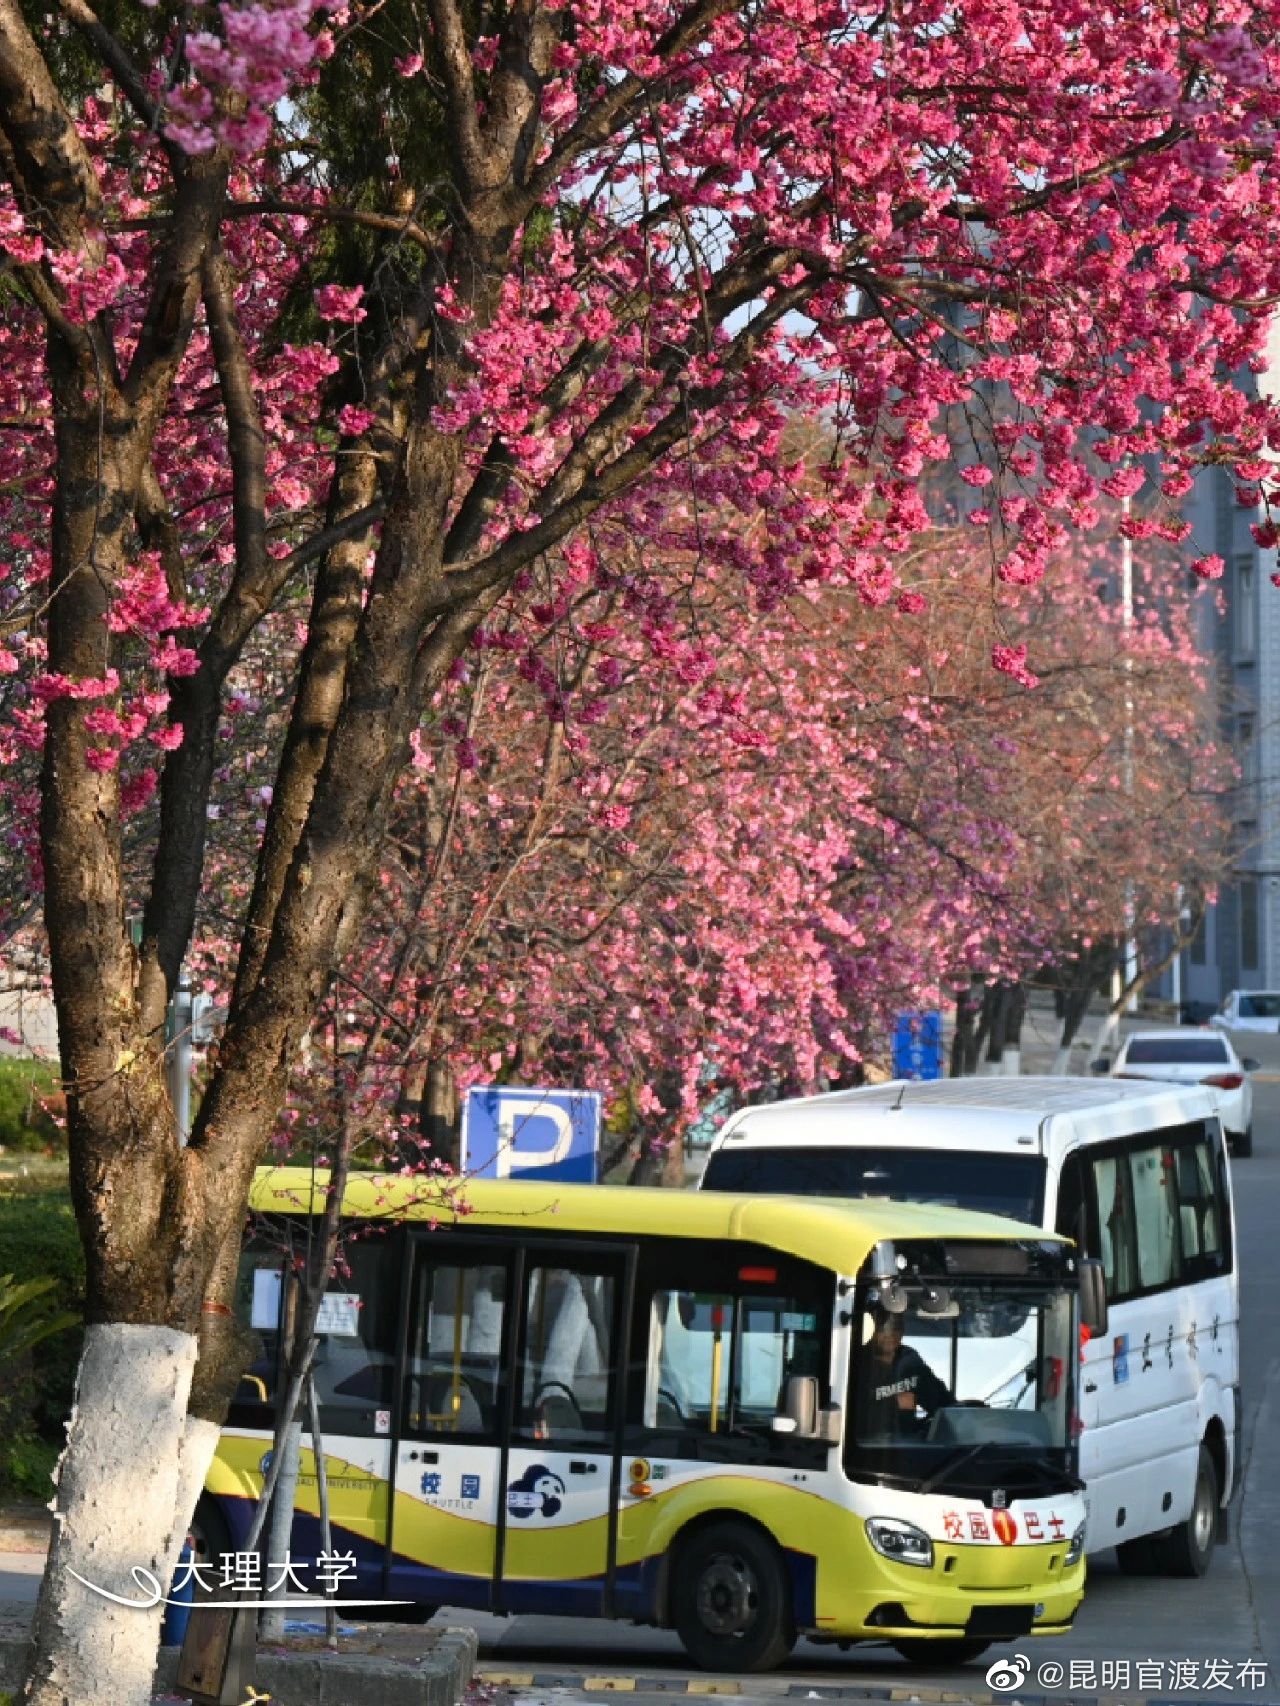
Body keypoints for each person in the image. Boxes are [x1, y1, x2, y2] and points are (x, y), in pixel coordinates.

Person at [858, 1306, 953, 1440]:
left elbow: (941, 1403)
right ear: (870, 1330)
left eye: (897, 1327)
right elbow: (850, 1412)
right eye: (883, 1327)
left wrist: (964, 1412)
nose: (890, 1334)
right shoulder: (855, 1365)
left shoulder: (910, 1361)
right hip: (866, 1446)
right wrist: (894, 1403)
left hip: (907, 1446)